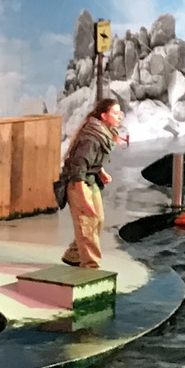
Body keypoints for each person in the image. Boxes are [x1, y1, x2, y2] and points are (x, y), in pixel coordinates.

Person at [59, 97, 123, 268]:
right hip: (78, 182)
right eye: (115, 113)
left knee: (98, 219)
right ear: (104, 116)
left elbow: (91, 160)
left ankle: (73, 255)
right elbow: (78, 169)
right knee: (87, 222)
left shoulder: (103, 134)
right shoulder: (92, 138)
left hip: (89, 179)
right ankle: (91, 265)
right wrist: (83, 199)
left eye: (120, 113)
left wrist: (101, 171)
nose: (120, 117)